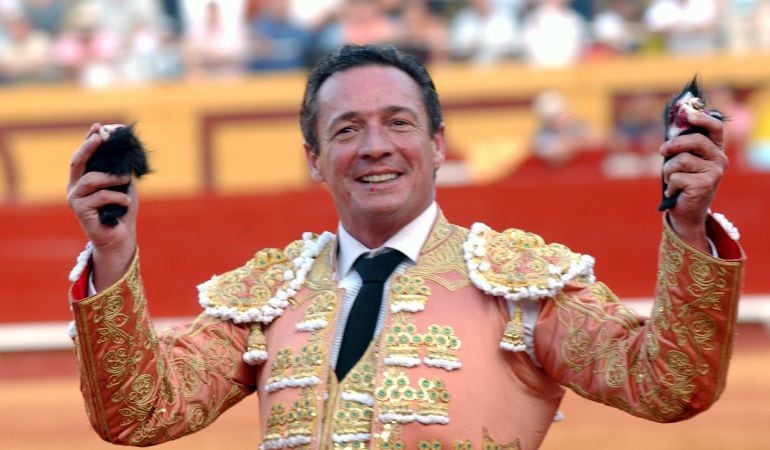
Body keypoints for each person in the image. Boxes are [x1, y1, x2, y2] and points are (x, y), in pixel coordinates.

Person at [66, 44, 744, 448]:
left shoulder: (522, 286)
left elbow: (669, 384)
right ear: (314, 156)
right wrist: (114, 255)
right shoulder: (270, 296)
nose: (376, 147)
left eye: (398, 122)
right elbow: (138, 410)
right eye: (347, 129)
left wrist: (687, 230)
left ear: (438, 144)